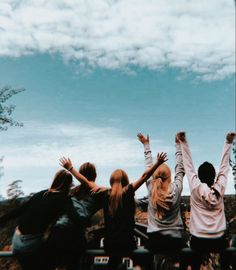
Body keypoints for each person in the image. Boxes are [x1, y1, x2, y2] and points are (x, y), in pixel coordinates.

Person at [60, 151, 167, 269]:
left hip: (110, 244)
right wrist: (157, 163)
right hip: (128, 244)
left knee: (113, 264)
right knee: (141, 262)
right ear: (125, 180)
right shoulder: (128, 192)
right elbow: (144, 176)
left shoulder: (104, 193)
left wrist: (70, 168)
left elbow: (86, 182)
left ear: (111, 181)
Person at [0, 169, 81, 270]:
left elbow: (18, 211)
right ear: (69, 185)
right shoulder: (64, 199)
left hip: (16, 240)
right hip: (30, 245)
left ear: (55, 180)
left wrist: (1, 220)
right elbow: (76, 219)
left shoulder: (41, 193)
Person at [177, 131, 236, 270]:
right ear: (214, 176)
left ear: (199, 176)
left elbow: (188, 165)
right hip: (218, 240)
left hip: (198, 240)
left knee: (193, 255)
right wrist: (228, 142)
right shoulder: (220, 188)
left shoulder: (196, 187)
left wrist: (183, 142)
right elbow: (224, 167)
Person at [46, 162, 104, 270]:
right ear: (95, 176)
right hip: (73, 236)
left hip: (56, 232)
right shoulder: (99, 194)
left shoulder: (72, 192)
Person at [137, 133, 186, 259]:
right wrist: (178, 146)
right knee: (190, 257)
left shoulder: (151, 187)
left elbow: (148, 169)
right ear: (170, 177)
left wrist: (146, 145)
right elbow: (180, 169)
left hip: (155, 241)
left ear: (153, 177)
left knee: (142, 260)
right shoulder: (176, 188)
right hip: (176, 241)